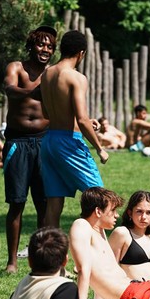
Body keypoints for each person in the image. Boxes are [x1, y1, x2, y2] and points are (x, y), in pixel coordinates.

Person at [39, 29, 109, 228]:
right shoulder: (76, 77)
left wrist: (84, 121)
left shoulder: (47, 74)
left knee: (54, 202)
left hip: (50, 141)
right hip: (69, 143)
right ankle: (97, 252)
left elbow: (47, 114)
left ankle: (51, 253)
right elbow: (82, 119)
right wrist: (99, 148)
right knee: (100, 198)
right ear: (81, 53)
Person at [2, 25, 55, 272]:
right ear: (32, 45)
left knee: (44, 205)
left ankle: (40, 260)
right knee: (17, 203)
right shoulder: (17, 67)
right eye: (41, 44)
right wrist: (33, 92)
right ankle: (12, 261)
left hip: (45, 143)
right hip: (18, 143)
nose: (45, 50)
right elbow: (10, 90)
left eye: (50, 46)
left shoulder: (53, 74)